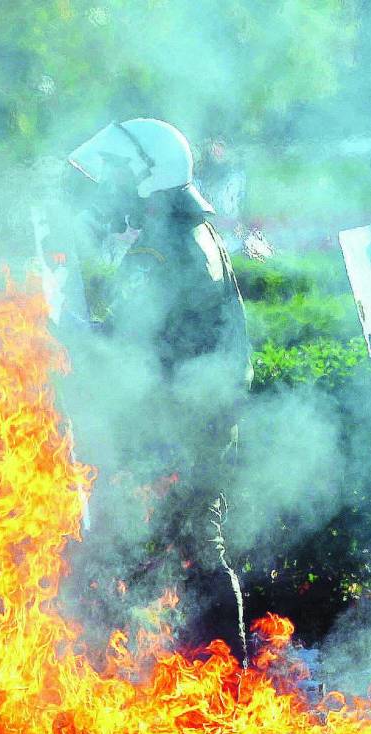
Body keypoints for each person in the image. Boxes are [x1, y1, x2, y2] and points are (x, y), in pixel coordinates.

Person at [63, 118, 252, 653]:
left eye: (119, 172)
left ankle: (211, 682)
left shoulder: (157, 251)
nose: (109, 184)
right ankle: (218, 684)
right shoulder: (197, 233)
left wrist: (67, 333)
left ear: (149, 177)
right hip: (199, 417)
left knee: (163, 550)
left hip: (173, 424)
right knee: (197, 547)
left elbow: (127, 349)